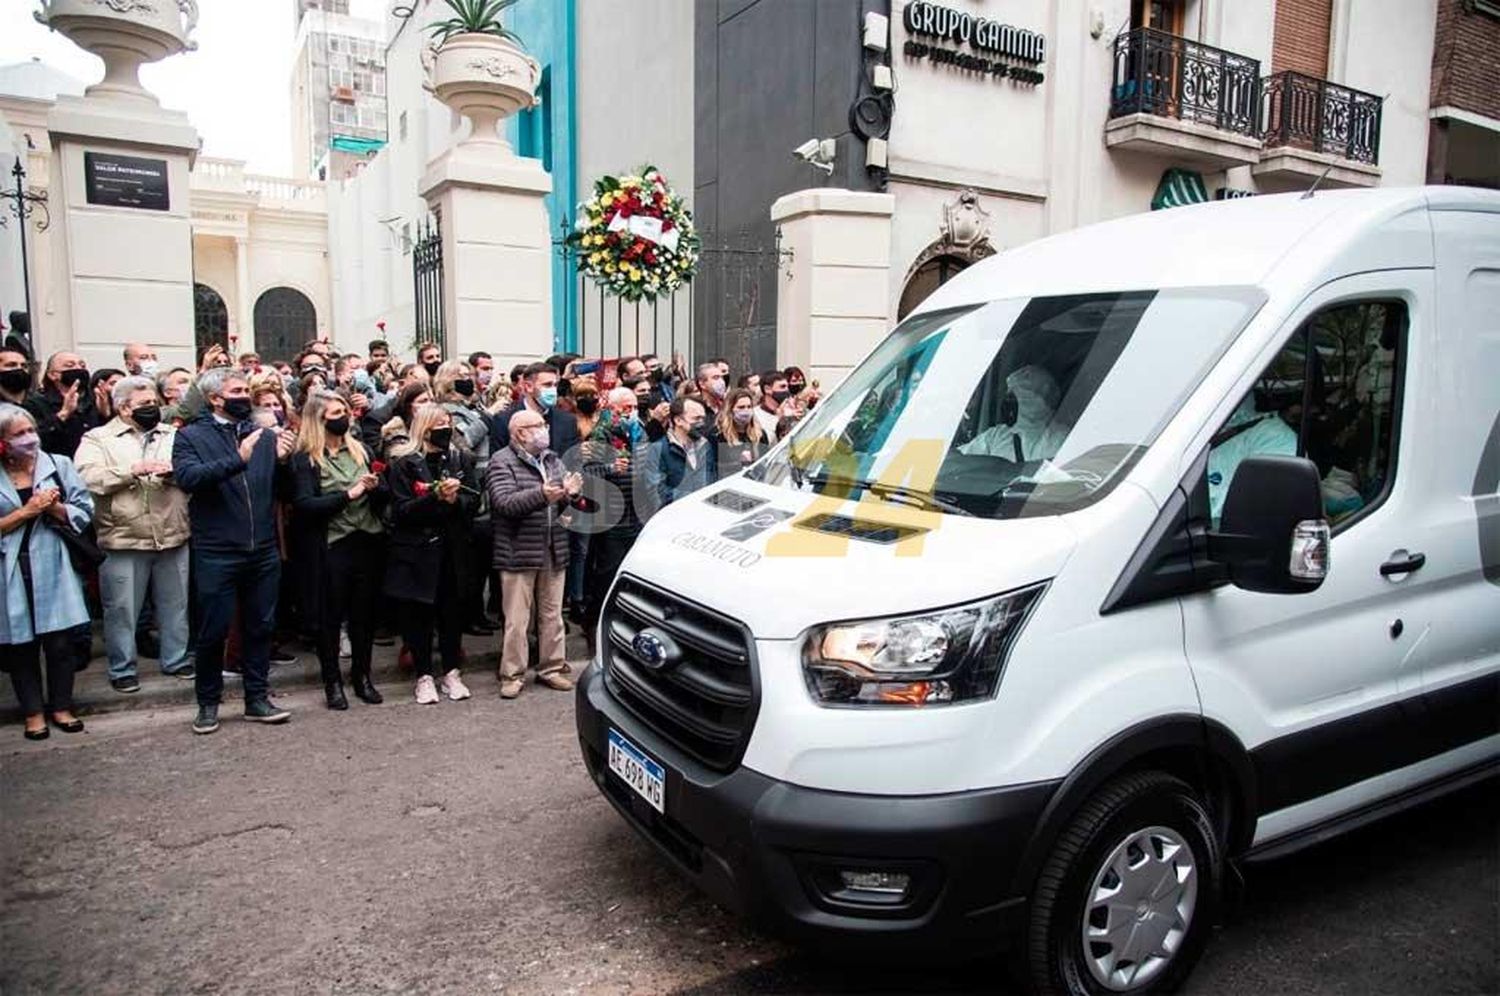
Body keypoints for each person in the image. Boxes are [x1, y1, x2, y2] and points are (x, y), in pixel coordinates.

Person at [172, 368, 296, 734]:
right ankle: (208, 703)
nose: (245, 395)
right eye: (237, 391)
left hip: (262, 550)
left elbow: (284, 493)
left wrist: (285, 462)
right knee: (213, 631)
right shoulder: (190, 436)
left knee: (261, 626)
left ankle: (256, 698)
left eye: (246, 389)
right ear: (215, 398)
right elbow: (189, 479)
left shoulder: (260, 433)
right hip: (217, 551)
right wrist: (237, 459)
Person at [75, 377, 193, 693]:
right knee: (122, 609)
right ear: (124, 407)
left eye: (154, 402)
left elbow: (193, 469)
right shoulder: (98, 438)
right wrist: (132, 471)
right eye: (144, 404)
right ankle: (122, 667)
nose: (152, 408)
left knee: (176, 603)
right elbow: (87, 476)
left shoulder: (172, 434)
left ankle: (177, 659)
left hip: (172, 532)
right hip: (123, 537)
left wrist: (174, 474)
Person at [0, 403, 93, 740]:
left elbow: (84, 512)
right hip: (9, 566)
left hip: (53, 561)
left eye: (31, 431)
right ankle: (33, 713)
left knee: (59, 643)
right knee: (20, 645)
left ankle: (62, 707)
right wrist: (27, 511)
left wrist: (54, 508)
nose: (30, 439)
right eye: (19, 434)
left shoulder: (58, 464)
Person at [290, 391, 387, 709]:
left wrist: (376, 488)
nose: (343, 417)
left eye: (344, 410)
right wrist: (349, 494)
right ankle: (332, 682)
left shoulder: (360, 450)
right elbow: (305, 505)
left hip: (367, 540)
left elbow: (381, 497)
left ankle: (362, 676)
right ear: (319, 419)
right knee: (330, 619)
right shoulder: (305, 458)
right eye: (334, 412)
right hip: (332, 546)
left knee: (364, 617)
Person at [489, 408, 588, 699]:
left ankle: (552, 668)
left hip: (553, 546)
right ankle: (512, 674)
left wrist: (571, 495)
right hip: (518, 550)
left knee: (552, 615)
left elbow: (564, 503)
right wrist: (542, 495)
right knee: (517, 620)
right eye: (537, 426)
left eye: (544, 424)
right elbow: (504, 503)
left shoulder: (552, 459)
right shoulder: (501, 461)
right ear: (519, 433)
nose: (544, 429)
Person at [384, 404, 477, 704]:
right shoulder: (403, 464)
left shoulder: (460, 459)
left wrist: (454, 501)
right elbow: (401, 511)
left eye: (448, 422)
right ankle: (424, 675)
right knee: (419, 616)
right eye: (439, 423)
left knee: (452, 614)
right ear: (424, 428)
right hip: (417, 552)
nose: (445, 428)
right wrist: (434, 498)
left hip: (452, 550)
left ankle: (451, 672)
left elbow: (474, 500)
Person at [581, 387, 647, 641]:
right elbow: (588, 473)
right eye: (626, 407)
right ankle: (594, 623)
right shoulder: (601, 433)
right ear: (613, 408)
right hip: (613, 514)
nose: (632, 412)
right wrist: (610, 468)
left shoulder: (639, 431)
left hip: (637, 511)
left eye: (634, 406)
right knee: (608, 572)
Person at [958, 365, 1070, 465]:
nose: (1007, 401)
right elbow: (957, 459)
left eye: (1013, 395)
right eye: (1008, 395)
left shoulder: (1061, 439)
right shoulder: (995, 436)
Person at [489, 362, 581, 464]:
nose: (553, 390)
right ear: (528, 386)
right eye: (547, 385)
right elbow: (497, 463)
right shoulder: (504, 420)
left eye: (555, 385)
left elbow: (573, 460)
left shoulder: (567, 421)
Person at [645, 397, 716, 511]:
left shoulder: (705, 445)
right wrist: (694, 499)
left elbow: (711, 478)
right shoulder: (658, 450)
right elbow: (657, 491)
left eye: (703, 419)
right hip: (675, 516)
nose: (701, 423)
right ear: (678, 420)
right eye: (696, 418)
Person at [26, 351, 98, 456]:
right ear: (52, 375)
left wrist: (105, 414)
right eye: (70, 365)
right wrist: (63, 414)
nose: (78, 368)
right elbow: (36, 440)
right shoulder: (35, 403)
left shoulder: (94, 400)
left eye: (82, 365)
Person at [714, 388, 767, 473]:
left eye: (749, 407)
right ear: (730, 409)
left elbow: (765, 463)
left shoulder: (759, 434)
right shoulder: (719, 436)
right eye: (741, 407)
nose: (746, 411)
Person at [754, 370, 793, 444]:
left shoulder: (790, 413)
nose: (786, 390)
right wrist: (779, 420)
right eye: (782, 387)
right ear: (767, 389)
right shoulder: (755, 415)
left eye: (787, 387)